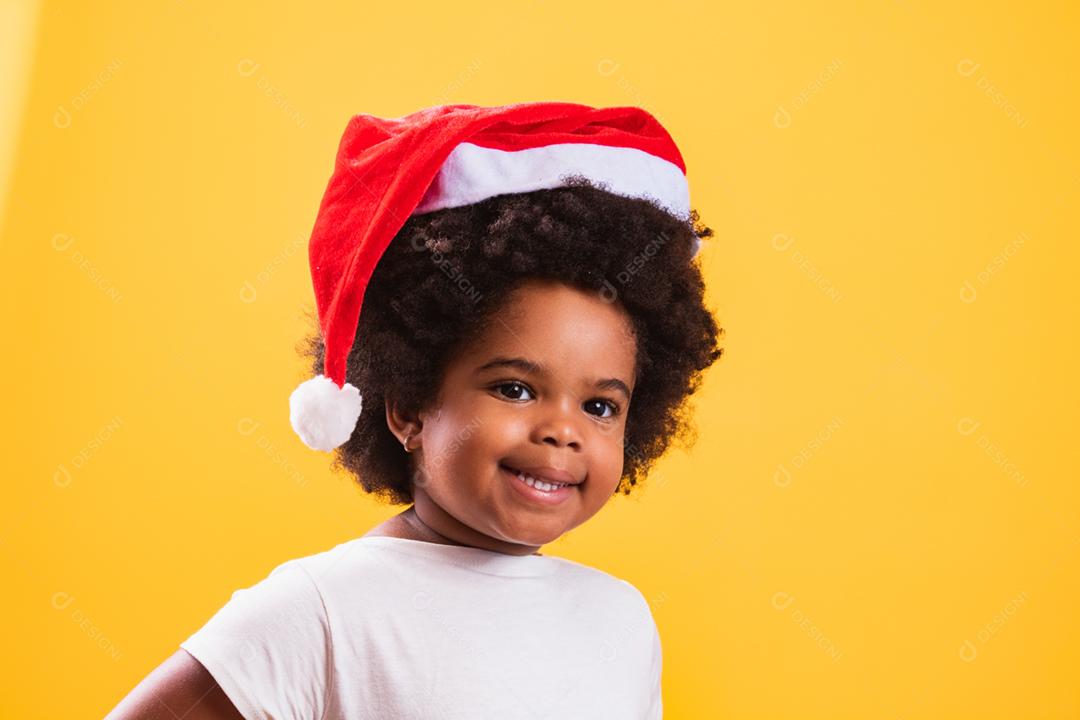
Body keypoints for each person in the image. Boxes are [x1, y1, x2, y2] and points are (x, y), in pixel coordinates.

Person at [105, 101, 723, 719]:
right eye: (514, 389)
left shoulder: (620, 617)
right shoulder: (323, 609)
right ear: (407, 405)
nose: (564, 430)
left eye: (599, 405)